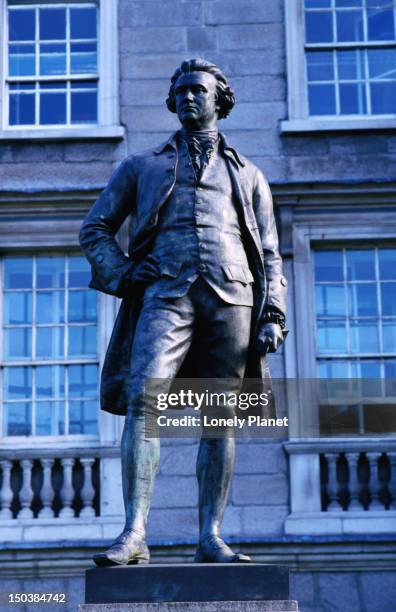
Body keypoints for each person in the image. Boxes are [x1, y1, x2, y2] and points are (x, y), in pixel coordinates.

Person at [79, 58, 287, 566]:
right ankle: (134, 533)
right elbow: (95, 229)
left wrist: (273, 313)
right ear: (172, 102)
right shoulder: (141, 166)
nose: (189, 97)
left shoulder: (251, 174)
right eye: (181, 91)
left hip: (232, 296)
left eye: (199, 89)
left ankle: (210, 536)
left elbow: (271, 250)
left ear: (221, 100)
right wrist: (125, 273)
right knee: (142, 402)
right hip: (164, 294)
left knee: (221, 420)